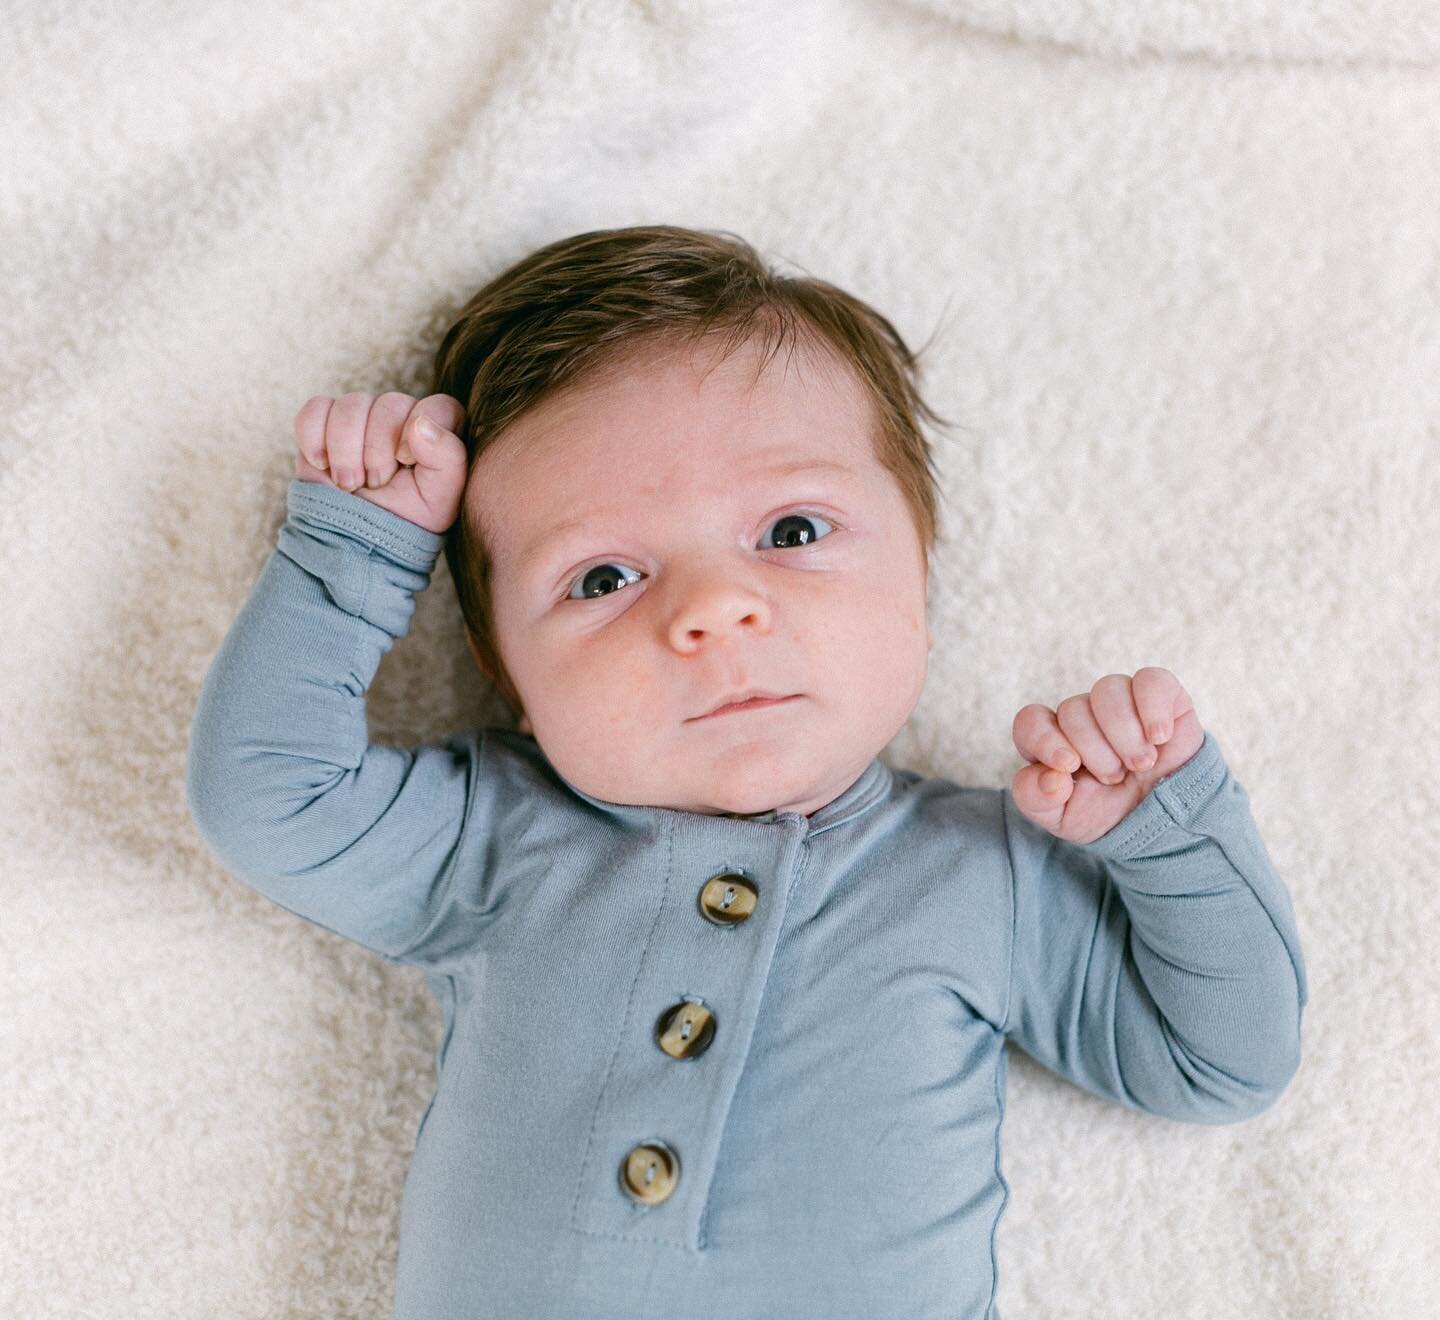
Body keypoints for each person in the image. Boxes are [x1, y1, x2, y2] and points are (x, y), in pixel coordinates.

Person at [186, 224, 1307, 1319]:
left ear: (921, 572)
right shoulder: (496, 833)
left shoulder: (985, 869)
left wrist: (1167, 836)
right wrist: (353, 555)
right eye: (604, 576)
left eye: (791, 529)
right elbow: (268, 796)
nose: (714, 609)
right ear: (506, 671)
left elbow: (1218, 1061)